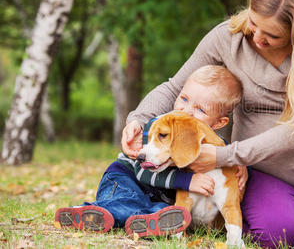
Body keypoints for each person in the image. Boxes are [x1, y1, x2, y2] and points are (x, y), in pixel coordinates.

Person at [122, 0, 294, 248]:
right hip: (263, 171)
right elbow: (176, 87)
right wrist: (138, 118)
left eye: (272, 34)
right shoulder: (227, 37)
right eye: (254, 23)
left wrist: (224, 155)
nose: (257, 36)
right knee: (277, 234)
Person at [55, 65, 244, 237]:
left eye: (200, 109)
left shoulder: (213, 148)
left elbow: (225, 168)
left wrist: (238, 166)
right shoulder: (159, 125)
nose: (185, 111)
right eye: (184, 99)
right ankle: (88, 212)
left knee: (162, 211)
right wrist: (187, 181)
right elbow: (143, 171)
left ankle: (140, 222)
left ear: (219, 123)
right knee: (128, 199)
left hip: (155, 198)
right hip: (127, 178)